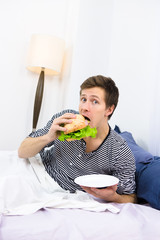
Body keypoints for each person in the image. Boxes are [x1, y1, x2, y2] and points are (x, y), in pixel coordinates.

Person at [18, 75, 136, 203]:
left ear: (109, 109)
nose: (84, 107)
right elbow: (22, 152)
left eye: (94, 101)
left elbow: (131, 197)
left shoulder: (119, 151)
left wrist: (112, 197)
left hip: (68, 195)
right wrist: (49, 137)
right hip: (37, 172)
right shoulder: (66, 119)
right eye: (83, 99)